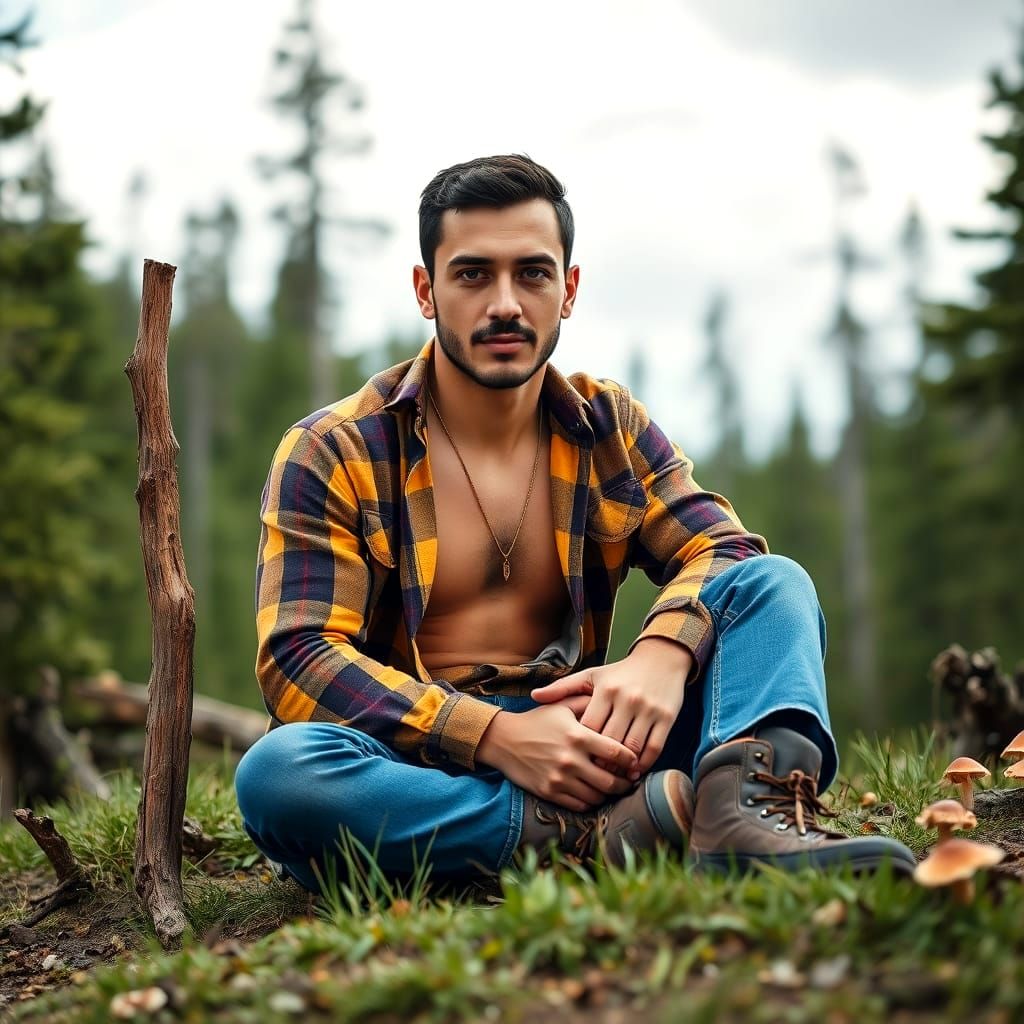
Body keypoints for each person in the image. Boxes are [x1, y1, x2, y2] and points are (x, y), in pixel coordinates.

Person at [234, 154, 915, 890]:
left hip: (593, 741)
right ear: (426, 291)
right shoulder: (335, 448)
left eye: (532, 273)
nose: (505, 304)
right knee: (282, 774)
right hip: (419, 760)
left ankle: (742, 817)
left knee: (773, 583)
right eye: (472, 275)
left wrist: (661, 655)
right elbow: (298, 657)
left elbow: (725, 551)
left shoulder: (605, 426)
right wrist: (497, 735)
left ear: (569, 290)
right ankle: (599, 834)